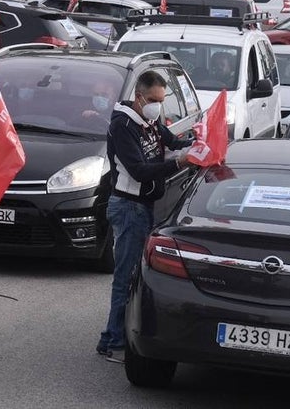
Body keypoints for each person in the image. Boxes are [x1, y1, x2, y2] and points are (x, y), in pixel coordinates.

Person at [96, 71, 190, 363]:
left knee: (135, 276)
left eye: (161, 101)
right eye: (153, 101)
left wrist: (199, 140)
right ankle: (113, 342)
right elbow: (138, 170)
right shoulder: (123, 126)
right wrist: (179, 162)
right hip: (128, 207)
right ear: (139, 97)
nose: (157, 107)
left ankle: (115, 336)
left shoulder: (150, 120)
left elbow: (172, 141)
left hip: (144, 206)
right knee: (125, 277)